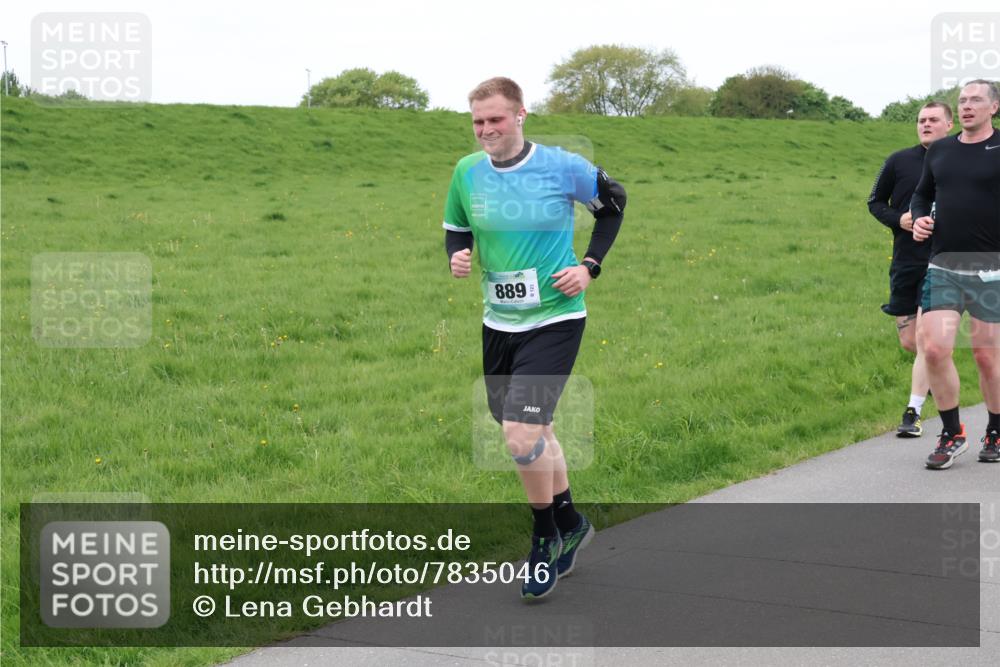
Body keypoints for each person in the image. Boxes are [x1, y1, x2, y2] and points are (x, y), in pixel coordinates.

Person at [442, 77, 626, 598]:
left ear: (521, 114)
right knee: (536, 430)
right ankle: (570, 522)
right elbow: (457, 225)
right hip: (498, 322)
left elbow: (613, 203)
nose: (486, 131)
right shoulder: (467, 172)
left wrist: (589, 266)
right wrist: (456, 252)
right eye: (478, 122)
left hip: (555, 319)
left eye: (495, 119)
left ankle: (544, 538)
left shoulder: (561, 166)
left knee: (520, 436)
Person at [911, 79, 1000, 469]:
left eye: (976, 100)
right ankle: (952, 433)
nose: (966, 106)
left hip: (991, 269)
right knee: (933, 348)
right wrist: (918, 219)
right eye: (962, 100)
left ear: (993, 108)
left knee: (986, 357)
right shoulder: (941, 150)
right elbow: (920, 193)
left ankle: (995, 430)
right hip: (944, 263)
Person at [868, 102, 954, 437]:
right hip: (905, 259)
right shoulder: (898, 161)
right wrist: (899, 219)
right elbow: (874, 202)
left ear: (949, 124)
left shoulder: (958, 159)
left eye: (933, 120)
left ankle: (912, 413)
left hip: (942, 261)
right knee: (910, 341)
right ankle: (937, 376)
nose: (926, 125)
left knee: (924, 338)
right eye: (921, 120)